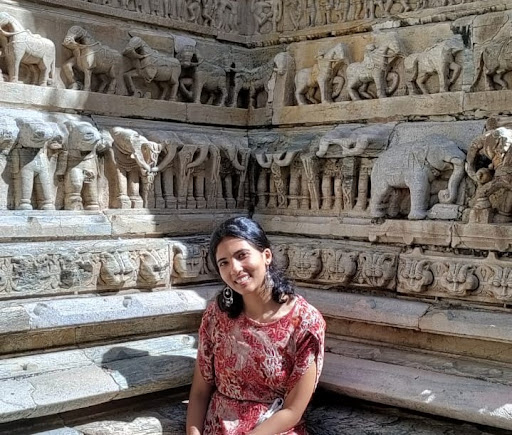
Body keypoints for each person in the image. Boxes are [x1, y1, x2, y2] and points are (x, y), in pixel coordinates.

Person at [186, 216, 326, 435]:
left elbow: (292, 410)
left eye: (242, 255)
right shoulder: (217, 316)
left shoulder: (305, 322)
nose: (235, 268)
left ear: (266, 255)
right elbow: (200, 392)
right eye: (224, 262)